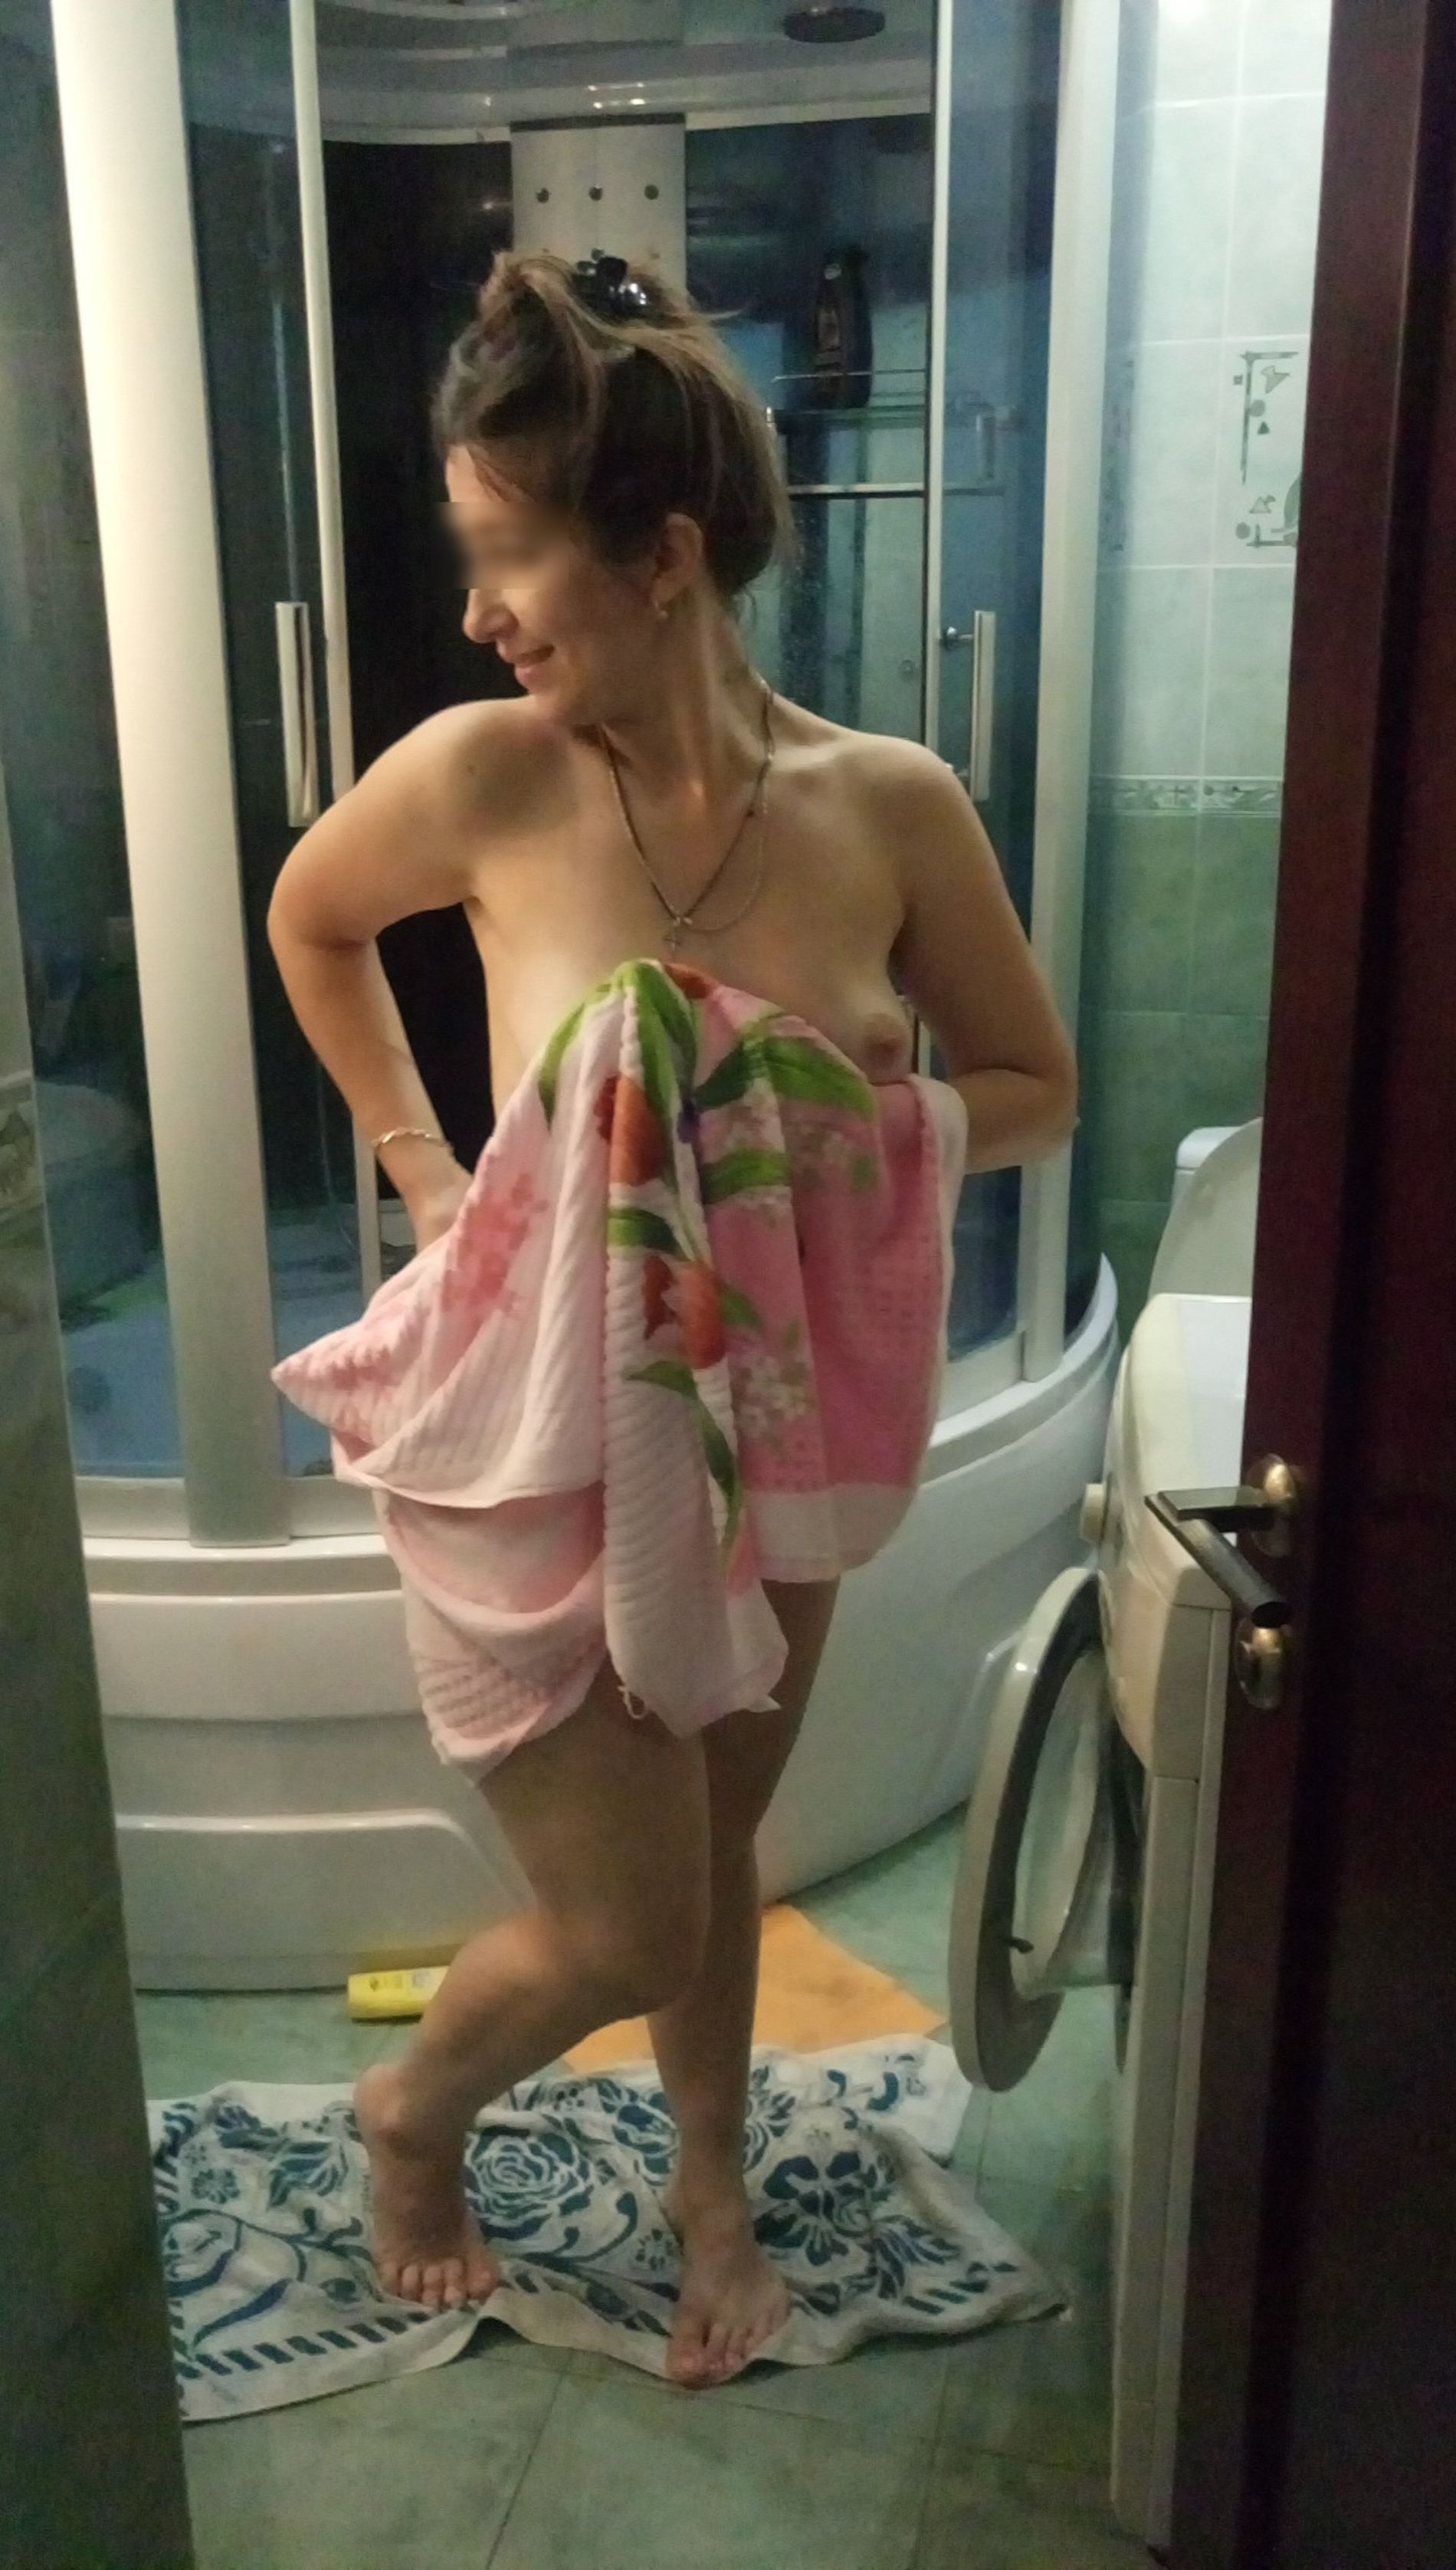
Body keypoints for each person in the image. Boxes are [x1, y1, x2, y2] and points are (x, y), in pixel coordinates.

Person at [265, 246, 1077, 2389]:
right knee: (625, 1919)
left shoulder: (888, 806)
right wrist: (428, 1175)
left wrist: (827, 1121)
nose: (477, 615)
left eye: (505, 557)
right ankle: (417, 2111)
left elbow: (1033, 1088)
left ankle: (710, 2186)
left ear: (663, 555)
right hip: (543, 1439)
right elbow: (311, 920)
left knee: (717, 1842)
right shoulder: (484, 777)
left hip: (774, 1418)